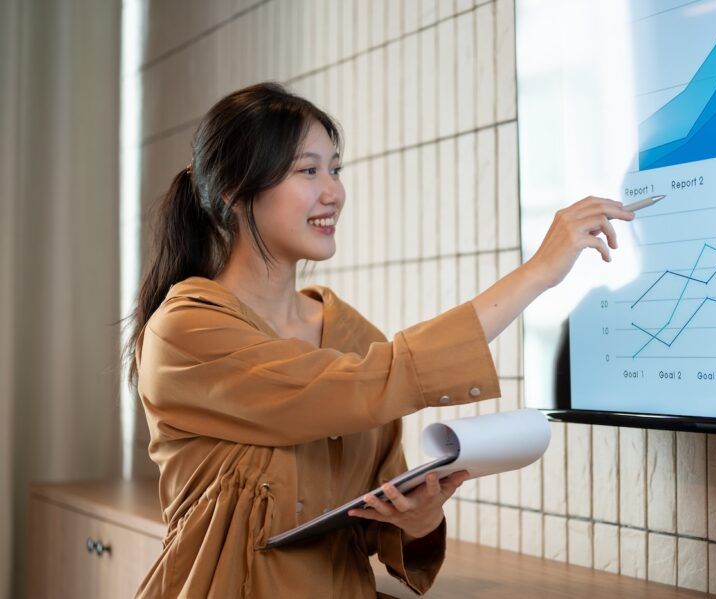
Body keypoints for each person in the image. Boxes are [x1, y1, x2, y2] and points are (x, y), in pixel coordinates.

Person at [124, 81, 634, 598]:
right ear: (235, 190)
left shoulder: (349, 334)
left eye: (335, 169)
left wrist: (417, 519)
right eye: (308, 170)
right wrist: (537, 274)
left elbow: (376, 515)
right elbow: (357, 386)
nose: (334, 191)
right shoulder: (186, 329)